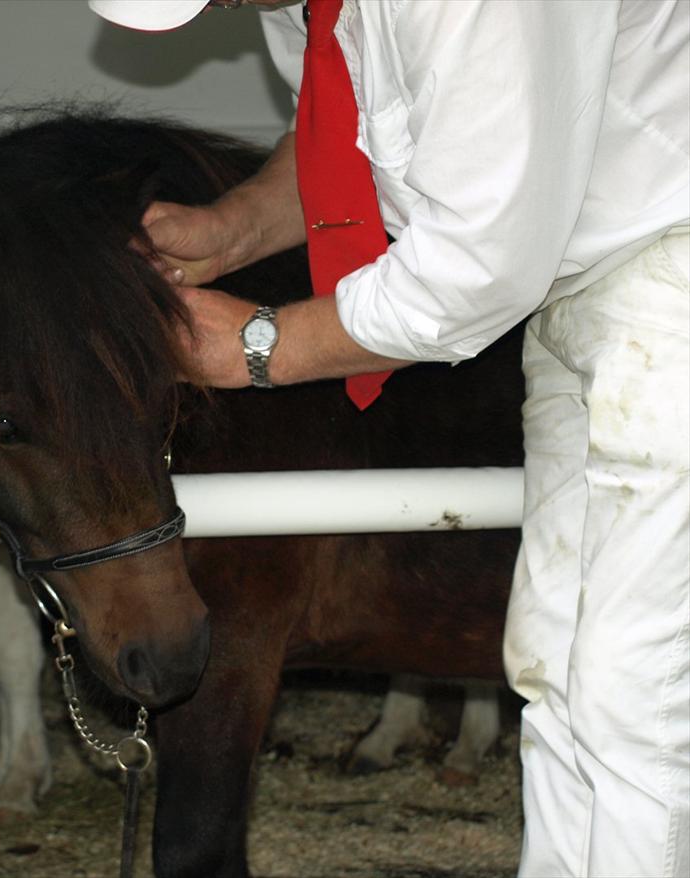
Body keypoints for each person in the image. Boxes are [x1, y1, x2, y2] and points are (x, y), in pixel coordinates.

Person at [88, 1, 690, 877]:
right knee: (554, 656)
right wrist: (230, 230)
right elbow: (345, 141)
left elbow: (474, 267)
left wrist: (259, 345)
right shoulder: (300, 4)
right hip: (584, 274)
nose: (221, 9)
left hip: (660, 255)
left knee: (634, 679)